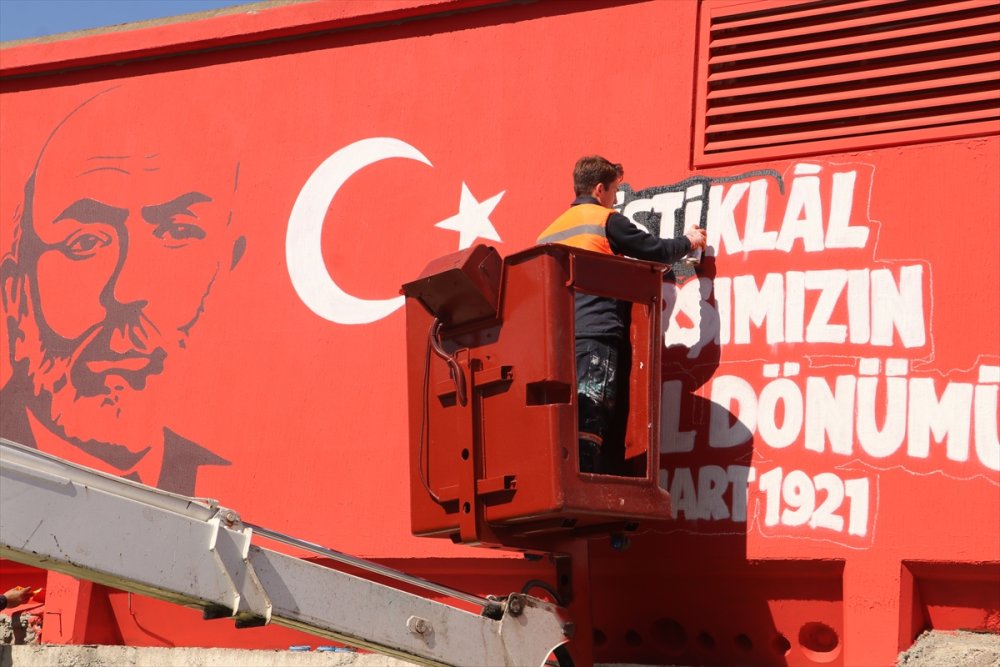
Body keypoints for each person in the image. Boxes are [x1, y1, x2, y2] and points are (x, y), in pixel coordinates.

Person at [0, 87, 245, 495]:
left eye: (177, 233)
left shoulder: (229, 484)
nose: (127, 290)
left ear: (226, 269)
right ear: (16, 293)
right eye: (85, 243)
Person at [537, 156, 707, 473]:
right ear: (600, 189)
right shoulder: (605, 220)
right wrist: (689, 241)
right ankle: (587, 485)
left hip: (556, 343)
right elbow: (655, 250)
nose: (615, 200)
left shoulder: (548, 233)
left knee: (563, 417)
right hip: (596, 334)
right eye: (614, 191)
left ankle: (563, 478)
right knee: (591, 418)